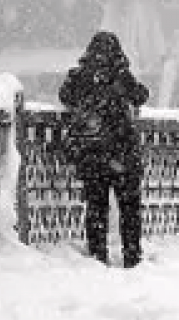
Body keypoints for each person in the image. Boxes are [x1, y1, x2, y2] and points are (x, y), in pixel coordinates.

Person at [59, 31, 151, 268]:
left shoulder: (80, 76)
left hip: (93, 153)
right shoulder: (121, 77)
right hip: (122, 152)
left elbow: (65, 96)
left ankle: (97, 256)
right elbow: (141, 95)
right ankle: (132, 256)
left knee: (96, 208)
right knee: (129, 208)